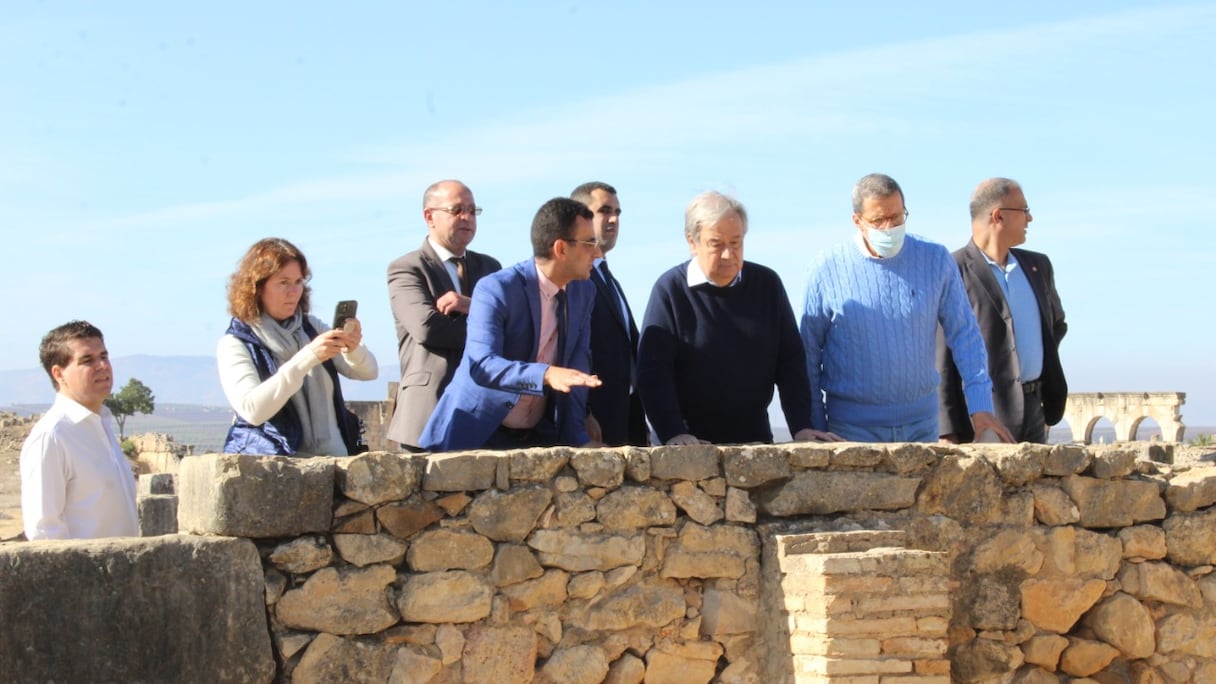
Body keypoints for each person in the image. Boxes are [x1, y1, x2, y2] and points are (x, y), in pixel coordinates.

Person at [800, 173, 1013, 443]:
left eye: (897, 217)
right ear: (857, 221)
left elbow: (966, 335)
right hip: (848, 431)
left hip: (922, 427)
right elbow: (807, 354)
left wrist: (981, 408)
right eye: (879, 220)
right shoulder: (825, 269)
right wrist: (815, 426)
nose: (890, 227)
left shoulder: (935, 259)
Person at [637, 191, 834, 446]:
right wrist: (673, 432)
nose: (729, 255)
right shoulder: (670, 290)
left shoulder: (767, 285)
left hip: (754, 442)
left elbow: (790, 363)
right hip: (688, 446)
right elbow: (653, 373)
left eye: (736, 243)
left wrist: (801, 427)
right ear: (692, 242)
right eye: (717, 244)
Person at [419, 197, 604, 451]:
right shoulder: (496, 289)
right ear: (561, 249)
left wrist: (577, 438)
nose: (597, 252)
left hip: (539, 438)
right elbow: (483, 365)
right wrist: (546, 374)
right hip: (473, 434)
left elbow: (576, 366)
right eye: (589, 243)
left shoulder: (584, 292)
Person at [217, 237, 378, 456]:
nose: (293, 292)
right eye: (283, 282)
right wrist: (306, 359)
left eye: (299, 282)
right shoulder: (236, 343)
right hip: (277, 468)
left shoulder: (312, 327)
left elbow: (368, 372)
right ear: (257, 287)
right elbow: (252, 411)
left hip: (335, 461)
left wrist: (353, 348)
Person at [939, 178, 1067, 443]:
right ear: (998, 216)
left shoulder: (1038, 266)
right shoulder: (952, 269)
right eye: (1024, 210)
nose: (1030, 218)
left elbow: (1056, 324)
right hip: (982, 414)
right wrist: (947, 429)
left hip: (1034, 409)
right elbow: (940, 354)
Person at [386, 180, 502, 449]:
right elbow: (428, 329)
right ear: (429, 216)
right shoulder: (407, 268)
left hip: (483, 413)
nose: (467, 218)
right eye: (457, 210)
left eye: (473, 211)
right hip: (428, 413)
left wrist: (471, 305)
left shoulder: (489, 267)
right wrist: (489, 326)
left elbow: (513, 322)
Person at [20, 321, 139, 540]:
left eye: (104, 356)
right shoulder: (52, 436)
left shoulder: (100, 426)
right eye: (88, 360)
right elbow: (44, 533)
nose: (102, 366)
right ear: (59, 374)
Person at [571, 181, 648, 446]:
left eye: (617, 212)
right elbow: (567, 350)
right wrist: (584, 413)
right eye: (604, 210)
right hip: (593, 426)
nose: (614, 219)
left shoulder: (607, 277)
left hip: (626, 420)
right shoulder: (572, 278)